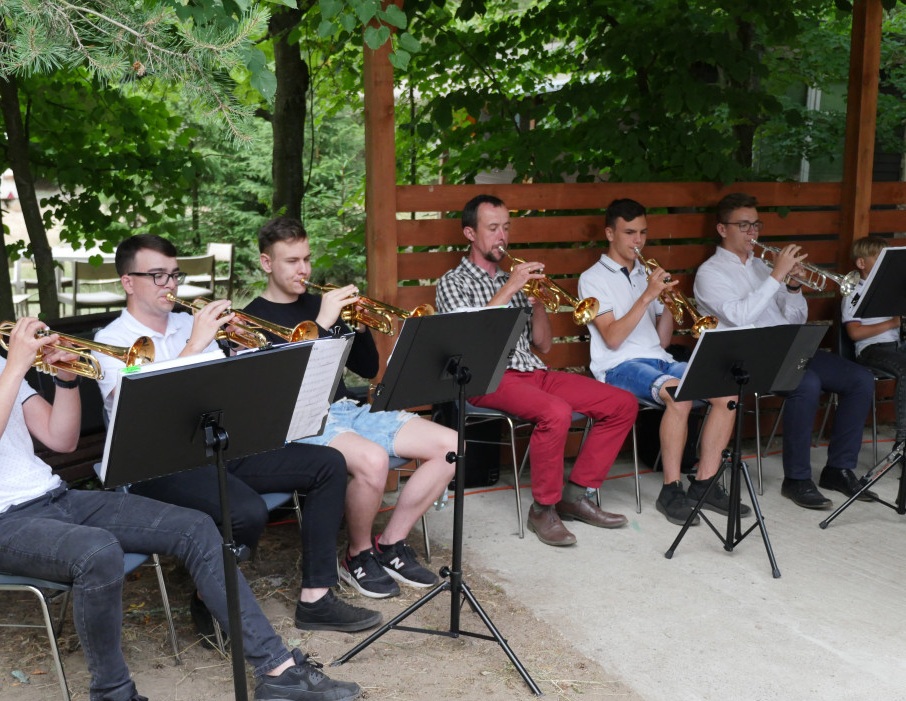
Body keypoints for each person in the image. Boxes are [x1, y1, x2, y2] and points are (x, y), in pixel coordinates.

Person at [0, 255, 362, 701]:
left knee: (197, 527)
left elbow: (60, 439)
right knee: (98, 553)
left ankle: (277, 673)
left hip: (55, 499)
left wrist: (65, 380)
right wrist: (19, 366)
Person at [94, 234, 381, 637]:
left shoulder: (189, 323)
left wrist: (243, 353)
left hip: (218, 445)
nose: (170, 285)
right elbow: (148, 408)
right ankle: (207, 598)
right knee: (246, 511)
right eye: (157, 276)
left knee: (328, 464)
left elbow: (229, 390)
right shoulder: (110, 341)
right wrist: (199, 342)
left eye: (174, 275)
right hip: (158, 462)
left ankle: (317, 598)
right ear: (128, 282)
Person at [244, 217, 456, 598]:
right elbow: (287, 386)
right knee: (373, 460)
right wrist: (324, 322)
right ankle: (355, 556)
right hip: (303, 418)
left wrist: (359, 326)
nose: (304, 269)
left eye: (307, 258)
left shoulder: (321, 301)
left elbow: (368, 369)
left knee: (451, 445)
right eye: (291, 261)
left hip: (346, 408)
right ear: (266, 263)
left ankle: (390, 544)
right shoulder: (253, 319)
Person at [435, 194, 638, 547]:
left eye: (506, 228)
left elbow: (543, 346)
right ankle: (543, 509)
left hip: (534, 372)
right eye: (493, 228)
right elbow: (467, 343)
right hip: (487, 376)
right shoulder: (452, 282)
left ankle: (575, 494)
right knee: (556, 413)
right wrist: (511, 286)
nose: (502, 236)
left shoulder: (515, 281)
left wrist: (537, 304)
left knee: (622, 404)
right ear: (469, 233)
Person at [693, 192, 875, 510]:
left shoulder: (763, 266)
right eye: (744, 225)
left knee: (860, 378)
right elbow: (739, 316)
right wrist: (777, 275)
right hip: (748, 355)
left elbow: (794, 319)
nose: (753, 232)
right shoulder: (710, 273)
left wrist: (791, 287)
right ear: (722, 229)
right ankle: (797, 479)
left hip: (786, 348)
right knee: (806, 384)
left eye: (756, 225)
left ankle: (838, 469)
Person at [579, 198, 744, 525]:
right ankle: (671, 489)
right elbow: (612, 337)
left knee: (728, 393)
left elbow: (662, 340)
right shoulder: (592, 278)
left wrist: (667, 303)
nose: (637, 241)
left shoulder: (644, 272)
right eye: (629, 233)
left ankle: (705, 484)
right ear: (609, 233)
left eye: (642, 232)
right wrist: (647, 297)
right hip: (617, 366)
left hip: (658, 358)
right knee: (680, 395)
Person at [842, 236, 906, 445]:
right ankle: (903, 441)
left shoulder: (894, 288)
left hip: (898, 346)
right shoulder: (853, 292)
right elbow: (855, 333)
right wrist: (893, 323)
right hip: (872, 349)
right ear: (862, 263)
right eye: (880, 260)